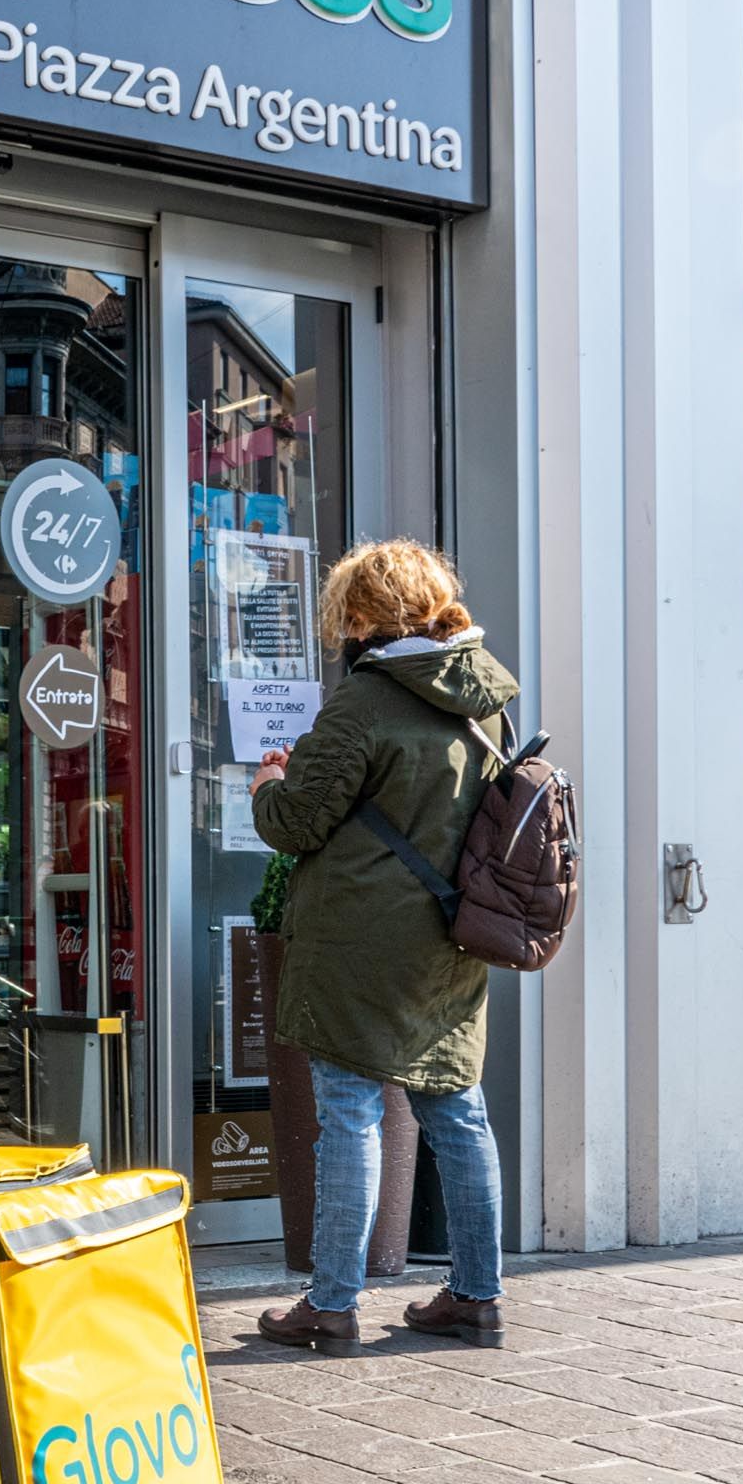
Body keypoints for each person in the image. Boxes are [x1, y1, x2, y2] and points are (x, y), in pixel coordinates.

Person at [247, 539, 516, 1355]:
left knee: (351, 1117)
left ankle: (331, 1305)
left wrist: (268, 785)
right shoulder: (484, 700)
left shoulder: (364, 703)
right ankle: (477, 1297)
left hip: (361, 946)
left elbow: (296, 824)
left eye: (346, 612)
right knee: (460, 1116)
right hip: (452, 942)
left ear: (363, 614)